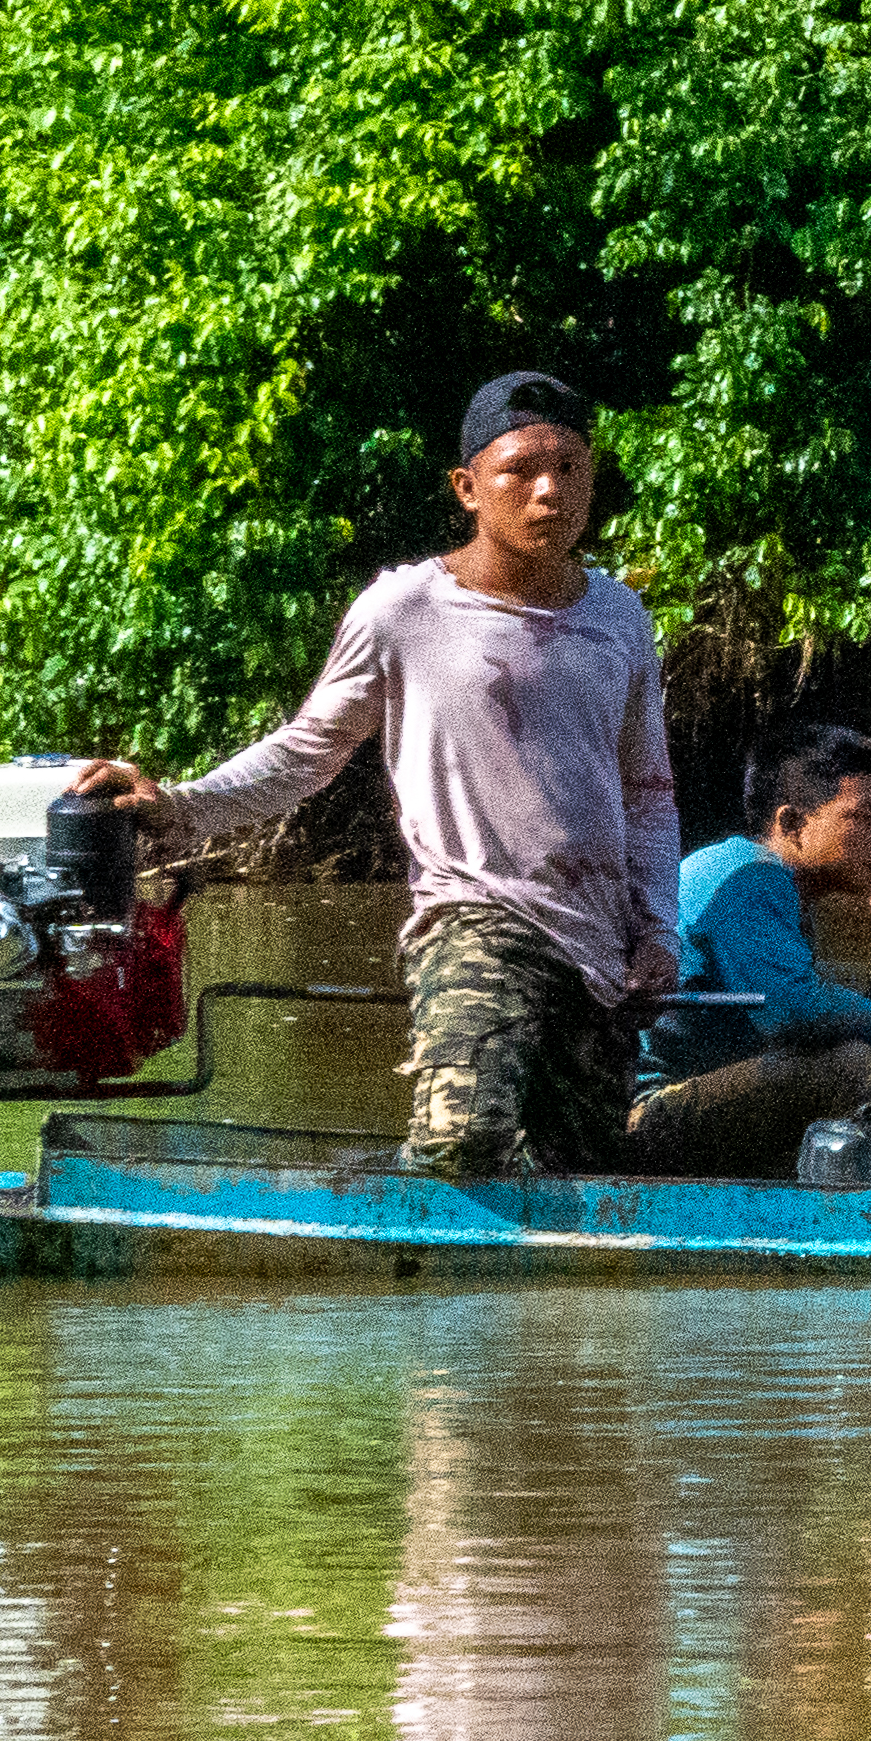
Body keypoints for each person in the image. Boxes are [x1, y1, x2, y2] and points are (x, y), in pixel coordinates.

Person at [75, 368, 680, 1180]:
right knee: (462, 1142)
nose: (549, 493)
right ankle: (368, 1255)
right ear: (467, 487)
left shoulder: (619, 616)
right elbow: (308, 749)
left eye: (570, 471)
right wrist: (181, 807)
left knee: (583, 1173)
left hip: (598, 938)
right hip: (474, 914)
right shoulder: (404, 610)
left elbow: (648, 793)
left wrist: (659, 929)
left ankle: (507, 1294)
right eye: (521, 472)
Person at [649, 720, 871, 1173]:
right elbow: (788, 1013)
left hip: (697, 1098)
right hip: (647, 1114)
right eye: (862, 817)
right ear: (791, 823)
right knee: (851, 1070)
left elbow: (817, 1022)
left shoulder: (773, 885)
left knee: (850, 1056)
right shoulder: (748, 877)